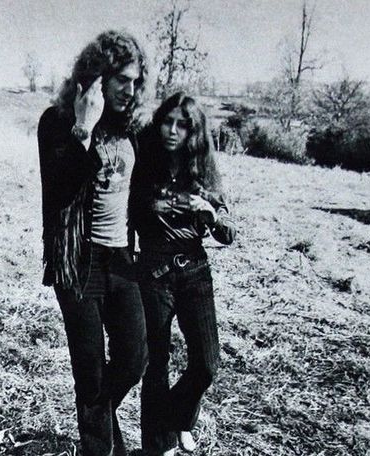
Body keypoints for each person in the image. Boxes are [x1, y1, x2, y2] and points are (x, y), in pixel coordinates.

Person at [37, 30, 148, 456]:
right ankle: (99, 448)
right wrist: (84, 128)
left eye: (136, 81)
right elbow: (60, 191)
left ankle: (99, 418)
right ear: (97, 77)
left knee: (134, 358)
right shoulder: (57, 123)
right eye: (121, 78)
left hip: (121, 257)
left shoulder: (130, 129)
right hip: (77, 261)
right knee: (89, 368)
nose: (130, 89)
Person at [132, 92, 237, 456]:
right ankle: (156, 447)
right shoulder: (144, 159)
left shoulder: (204, 166)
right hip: (154, 272)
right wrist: (149, 205)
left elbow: (229, 233)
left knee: (207, 365)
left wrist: (209, 211)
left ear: (194, 131)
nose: (172, 131)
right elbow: (126, 210)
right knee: (155, 364)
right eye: (167, 121)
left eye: (181, 125)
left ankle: (176, 419)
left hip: (194, 271)